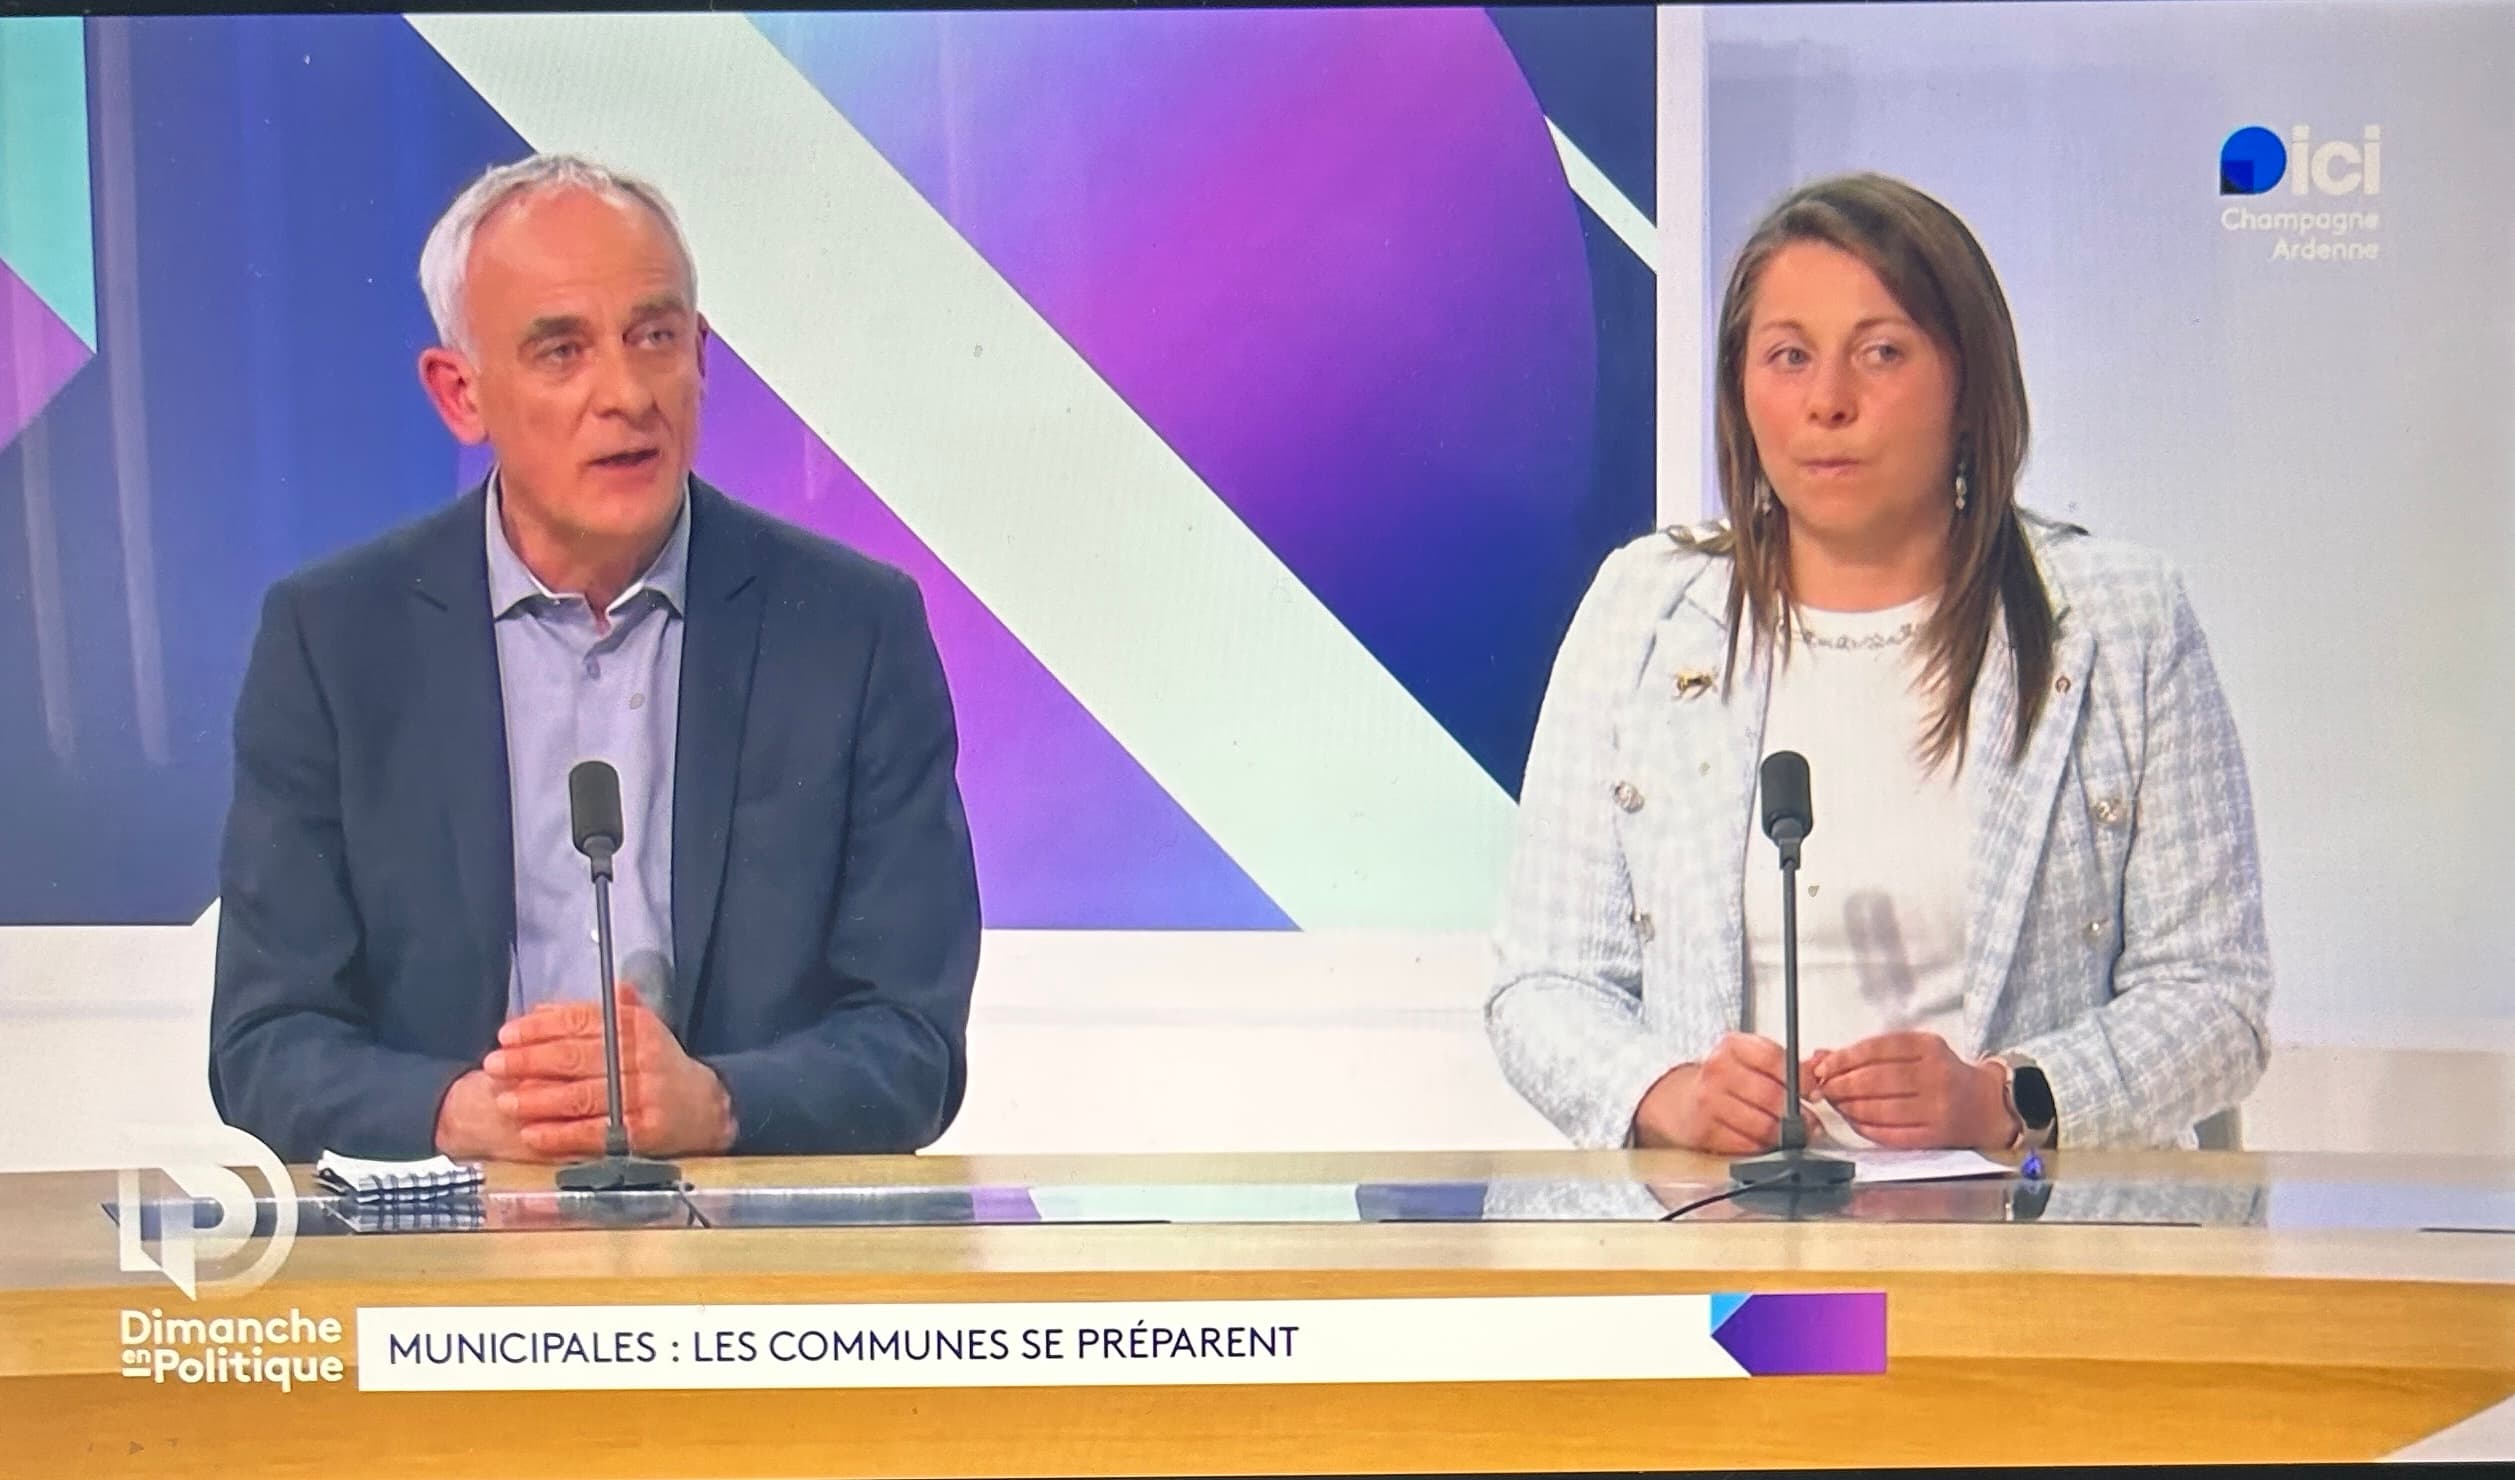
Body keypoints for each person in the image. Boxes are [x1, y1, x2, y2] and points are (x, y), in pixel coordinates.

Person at [209, 154, 982, 1164]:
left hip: (749, 1238)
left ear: (700, 355)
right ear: (460, 394)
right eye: (561, 351)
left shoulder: (851, 631)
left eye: (654, 338)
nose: (625, 393)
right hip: (450, 1237)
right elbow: (266, 1040)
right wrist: (467, 1115)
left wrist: (718, 1103)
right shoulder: (334, 641)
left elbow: (913, 1043)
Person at [1487, 173, 2270, 1154]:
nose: (1828, 402)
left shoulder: (2122, 622)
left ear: (1968, 387)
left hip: (2027, 1234)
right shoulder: (1642, 611)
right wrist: (1667, 1092)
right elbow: (1545, 984)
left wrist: (2007, 1099)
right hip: (1723, 1229)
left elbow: (2214, 998)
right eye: (1788, 357)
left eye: (1881, 353)